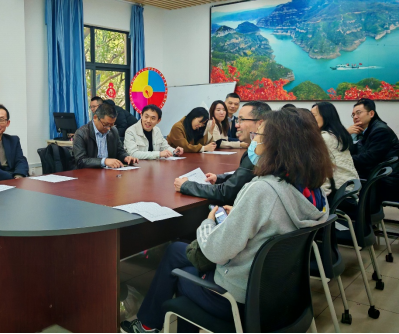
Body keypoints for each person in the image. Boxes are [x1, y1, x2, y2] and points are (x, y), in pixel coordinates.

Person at [121, 108, 330, 334]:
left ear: (277, 144)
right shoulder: (313, 191)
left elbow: (214, 252)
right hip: (280, 294)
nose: (254, 141)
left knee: (180, 268)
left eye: (259, 136)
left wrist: (209, 222)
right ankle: (148, 325)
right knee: (178, 254)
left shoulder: (262, 190)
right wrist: (239, 213)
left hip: (237, 297)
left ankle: (146, 325)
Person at [174, 102, 272, 205]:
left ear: (260, 124)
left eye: (241, 120)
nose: (237, 125)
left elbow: (225, 192)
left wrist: (186, 186)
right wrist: (219, 179)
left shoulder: (257, 153)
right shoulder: (266, 147)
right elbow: (244, 178)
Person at [347, 98, 399, 202]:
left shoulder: (380, 131)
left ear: (371, 113)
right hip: (375, 175)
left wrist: (345, 160)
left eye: (358, 113)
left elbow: (369, 158)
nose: (355, 117)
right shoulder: (365, 130)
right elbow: (356, 151)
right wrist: (348, 134)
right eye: (353, 115)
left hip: (385, 180)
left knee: (341, 182)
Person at [311, 102, 359, 196]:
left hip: (338, 193)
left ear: (325, 116)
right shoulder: (337, 134)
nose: (310, 120)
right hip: (349, 188)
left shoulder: (325, 138)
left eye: (313, 116)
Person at [73, 102, 139, 168]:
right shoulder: (81, 133)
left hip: (109, 172)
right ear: (95, 118)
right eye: (106, 124)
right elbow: (80, 161)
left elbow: (120, 151)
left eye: (112, 125)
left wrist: (126, 157)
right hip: (89, 172)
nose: (109, 129)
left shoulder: (113, 130)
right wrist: (104, 161)